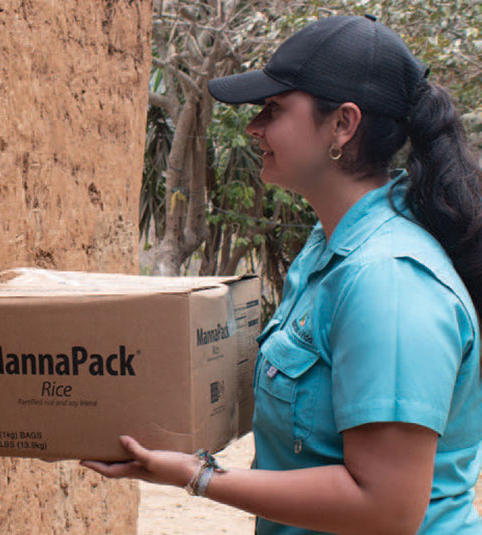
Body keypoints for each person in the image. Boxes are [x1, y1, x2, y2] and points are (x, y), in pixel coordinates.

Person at [83, 14, 482, 534]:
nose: (254, 127)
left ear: (343, 124)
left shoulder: (388, 280)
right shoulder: (329, 249)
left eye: (272, 110)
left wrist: (198, 477)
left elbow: (387, 508)